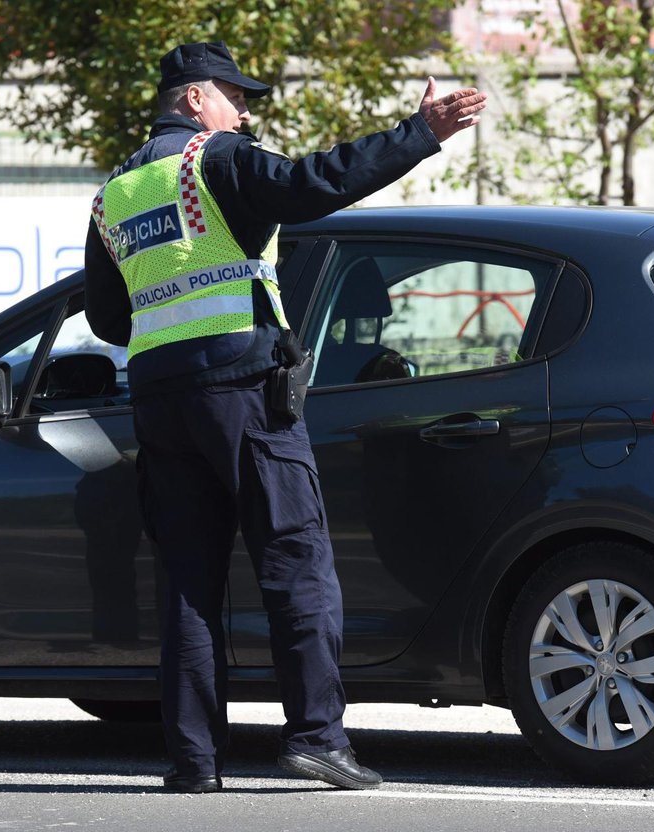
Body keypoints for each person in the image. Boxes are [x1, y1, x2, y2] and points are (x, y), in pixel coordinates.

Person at [83, 41, 487, 793]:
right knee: (296, 565)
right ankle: (315, 737)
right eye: (238, 98)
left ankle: (194, 762)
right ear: (197, 99)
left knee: (188, 583)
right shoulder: (219, 158)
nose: (246, 113)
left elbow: (109, 316)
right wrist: (420, 132)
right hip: (241, 389)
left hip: (160, 398)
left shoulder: (114, 193)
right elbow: (317, 183)